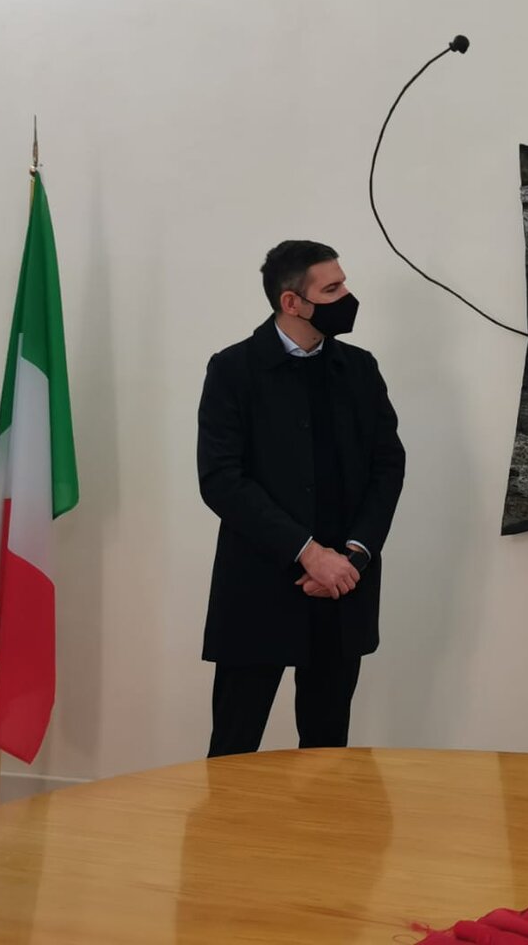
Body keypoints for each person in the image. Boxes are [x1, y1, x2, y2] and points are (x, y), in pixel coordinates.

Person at [197, 241, 405, 757]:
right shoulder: (233, 369)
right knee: (233, 749)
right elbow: (221, 479)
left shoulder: (360, 368)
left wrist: (354, 556)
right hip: (258, 585)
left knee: (327, 750)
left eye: (343, 282)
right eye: (332, 289)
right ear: (292, 302)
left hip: (342, 586)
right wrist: (309, 553)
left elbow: (388, 466)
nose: (347, 296)